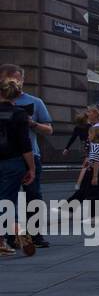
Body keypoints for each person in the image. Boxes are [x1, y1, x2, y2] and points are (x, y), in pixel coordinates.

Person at [0, 65, 53, 247]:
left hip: (31, 155)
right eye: (12, 79)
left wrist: (32, 124)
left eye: (18, 79)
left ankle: (35, 234)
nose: (17, 82)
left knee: (33, 196)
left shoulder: (35, 102)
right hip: (10, 156)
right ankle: (11, 237)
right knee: (7, 198)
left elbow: (49, 130)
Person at [0, 76, 37, 257]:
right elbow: (25, 144)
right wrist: (31, 168)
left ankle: (9, 238)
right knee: (7, 201)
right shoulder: (20, 114)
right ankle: (15, 232)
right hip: (13, 162)